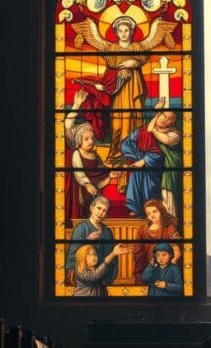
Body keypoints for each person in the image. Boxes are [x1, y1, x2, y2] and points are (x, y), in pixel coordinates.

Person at [70, 15, 177, 167]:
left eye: (126, 30)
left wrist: (135, 62)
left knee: (134, 120)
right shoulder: (111, 48)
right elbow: (111, 67)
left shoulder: (137, 47)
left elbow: (144, 58)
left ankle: (134, 155)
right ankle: (116, 155)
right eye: (120, 31)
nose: (123, 33)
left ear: (131, 32)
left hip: (134, 89)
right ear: (116, 32)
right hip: (117, 92)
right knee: (118, 124)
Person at [64, 88, 120, 221]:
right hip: (80, 190)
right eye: (86, 139)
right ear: (79, 141)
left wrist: (109, 175)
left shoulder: (94, 155)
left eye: (92, 138)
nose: (90, 141)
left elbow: (101, 171)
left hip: (93, 191)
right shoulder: (77, 153)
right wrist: (76, 105)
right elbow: (79, 173)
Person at [121, 100, 173, 216]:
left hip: (152, 169)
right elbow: (126, 143)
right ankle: (135, 207)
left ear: (171, 124)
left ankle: (150, 210)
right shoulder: (141, 131)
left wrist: (144, 160)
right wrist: (136, 158)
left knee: (150, 189)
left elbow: (160, 154)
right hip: (138, 165)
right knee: (135, 186)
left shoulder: (166, 135)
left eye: (168, 119)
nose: (164, 119)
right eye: (162, 116)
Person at [65, 195, 117, 287]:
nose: (100, 213)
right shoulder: (81, 228)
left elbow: (112, 258)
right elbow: (73, 255)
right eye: (98, 208)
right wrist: (87, 240)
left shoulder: (107, 232)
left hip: (102, 281)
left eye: (104, 210)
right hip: (84, 280)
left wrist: (108, 279)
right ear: (91, 208)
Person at [132, 199, 181, 284]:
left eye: (154, 211)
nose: (152, 215)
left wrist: (169, 267)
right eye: (148, 213)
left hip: (164, 267)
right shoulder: (142, 230)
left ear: (161, 211)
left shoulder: (170, 228)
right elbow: (138, 253)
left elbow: (176, 250)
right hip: (147, 267)